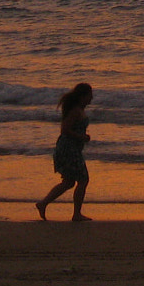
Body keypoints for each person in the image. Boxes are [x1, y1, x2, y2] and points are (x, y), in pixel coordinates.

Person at [36, 82, 93, 221]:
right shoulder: (75, 110)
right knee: (83, 179)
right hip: (68, 149)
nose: (91, 98)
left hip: (72, 149)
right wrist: (82, 137)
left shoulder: (80, 109)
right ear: (82, 96)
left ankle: (43, 204)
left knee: (69, 182)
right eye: (89, 95)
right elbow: (65, 130)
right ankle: (76, 214)